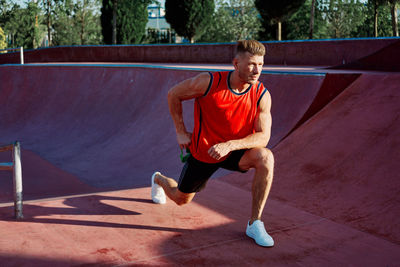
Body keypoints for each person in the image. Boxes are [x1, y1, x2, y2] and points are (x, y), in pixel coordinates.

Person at [151, 40, 274, 247]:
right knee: (181, 199)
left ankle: (255, 223)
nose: (257, 70)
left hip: (235, 150)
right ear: (236, 64)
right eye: (252, 64)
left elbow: (264, 137)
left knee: (266, 157)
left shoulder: (261, 94)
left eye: (261, 64)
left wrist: (230, 145)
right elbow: (174, 94)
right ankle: (158, 179)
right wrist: (180, 131)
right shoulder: (208, 82)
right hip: (204, 152)